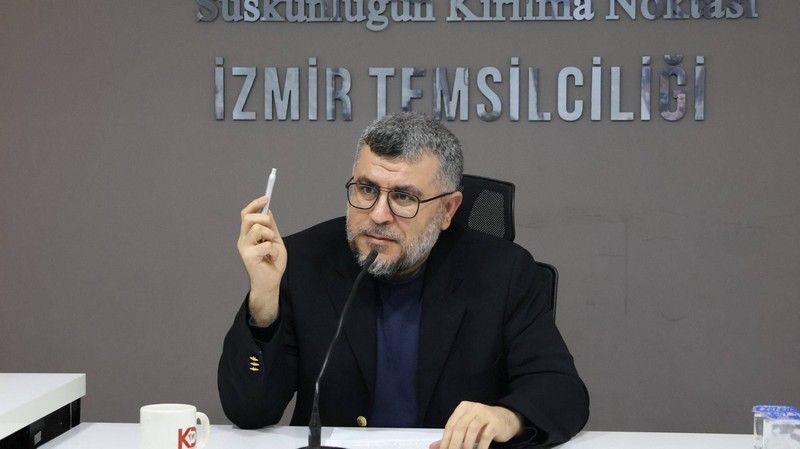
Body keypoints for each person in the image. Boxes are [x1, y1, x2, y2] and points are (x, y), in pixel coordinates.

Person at [218, 112, 589, 449]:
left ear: (448, 210)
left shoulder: (503, 273)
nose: (378, 215)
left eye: (403, 197)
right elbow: (248, 411)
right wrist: (263, 301)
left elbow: (563, 391)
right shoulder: (302, 260)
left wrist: (507, 417)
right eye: (367, 189)